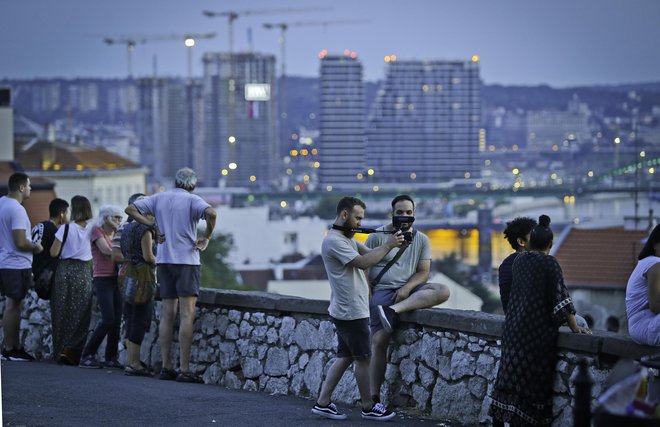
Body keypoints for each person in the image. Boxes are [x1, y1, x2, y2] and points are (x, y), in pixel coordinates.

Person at [489, 215, 590, 426]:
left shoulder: (519, 261)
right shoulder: (549, 263)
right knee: (531, 384)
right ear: (551, 244)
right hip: (535, 334)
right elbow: (560, 298)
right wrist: (575, 327)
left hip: (513, 329)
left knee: (508, 377)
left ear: (530, 242)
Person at [312, 196, 403, 421]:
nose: (360, 223)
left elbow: (372, 254)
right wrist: (389, 243)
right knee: (364, 359)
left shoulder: (346, 238)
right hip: (352, 311)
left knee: (345, 356)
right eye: (357, 218)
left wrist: (394, 238)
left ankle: (323, 402)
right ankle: (368, 406)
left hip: (346, 310)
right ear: (345, 215)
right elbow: (363, 262)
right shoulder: (334, 241)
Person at [125, 167, 216, 383]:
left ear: (176, 182)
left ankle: (167, 366)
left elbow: (130, 209)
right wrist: (207, 237)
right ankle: (184, 368)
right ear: (192, 185)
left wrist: (150, 223)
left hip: (164, 261)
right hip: (186, 262)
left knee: (167, 314)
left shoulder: (160, 198)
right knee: (186, 314)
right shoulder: (193, 200)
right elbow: (211, 213)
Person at [366, 195, 450, 404]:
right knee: (379, 340)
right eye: (400, 212)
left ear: (414, 214)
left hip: (407, 290)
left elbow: (423, 272)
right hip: (382, 290)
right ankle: (373, 397)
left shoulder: (421, 239)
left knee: (443, 290)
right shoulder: (377, 236)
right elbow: (363, 270)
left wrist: (407, 288)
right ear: (392, 214)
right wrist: (368, 296)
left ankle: (393, 311)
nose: (404, 216)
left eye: (408, 213)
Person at [0, 172, 43, 361]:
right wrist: (36, 246)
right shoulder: (17, 209)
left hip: (6, 261)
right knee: (13, 305)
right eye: (29, 185)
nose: (31, 189)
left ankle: (11, 346)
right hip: (15, 263)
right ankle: (11, 348)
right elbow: (20, 241)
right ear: (21, 187)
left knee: (13, 305)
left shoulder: (2, 203)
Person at [49, 195, 94, 366]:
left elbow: (53, 253)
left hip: (65, 271)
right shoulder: (92, 229)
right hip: (83, 272)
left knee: (61, 312)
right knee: (81, 314)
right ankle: (73, 351)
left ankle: (60, 350)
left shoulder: (65, 229)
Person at [79, 205, 124, 369]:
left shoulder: (117, 234)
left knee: (116, 320)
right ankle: (87, 355)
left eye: (120, 218)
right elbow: (106, 251)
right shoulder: (97, 231)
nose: (119, 221)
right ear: (106, 218)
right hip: (102, 279)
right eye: (116, 217)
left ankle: (110, 357)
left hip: (115, 280)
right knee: (108, 319)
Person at [120, 211, 157, 376]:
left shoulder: (128, 228)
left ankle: (130, 361)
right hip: (143, 276)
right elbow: (148, 256)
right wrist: (162, 258)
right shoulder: (145, 230)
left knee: (131, 316)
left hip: (128, 273)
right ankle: (135, 364)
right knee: (140, 318)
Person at [626, 224, 660, 346]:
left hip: (640, 328)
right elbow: (655, 306)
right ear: (655, 244)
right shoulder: (655, 263)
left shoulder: (645, 262)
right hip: (646, 325)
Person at [31, 198, 70, 299]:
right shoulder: (54, 231)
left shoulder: (40, 225)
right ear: (61, 214)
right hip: (47, 280)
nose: (68, 216)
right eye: (67, 213)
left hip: (35, 275)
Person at [498, 216, 537, 313]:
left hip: (511, 318)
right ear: (521, 242)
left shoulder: (505, 263)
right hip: (530, 318)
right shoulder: (532, 262)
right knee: (580, 322)